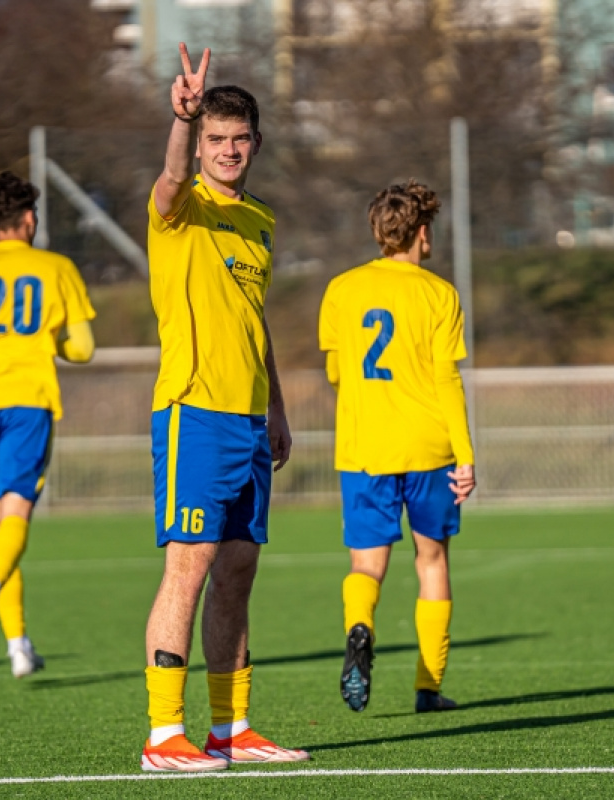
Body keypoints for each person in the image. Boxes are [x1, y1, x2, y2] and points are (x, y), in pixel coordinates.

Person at [141, 43, 309, 773]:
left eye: (239, 139)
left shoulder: (260, 223)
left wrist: (275, 405)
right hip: (194, 411)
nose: (228, 151)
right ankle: (161, 735)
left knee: (238, 569)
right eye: (216, 139)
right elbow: (172, 177)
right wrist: (180, 119)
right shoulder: (180, 210)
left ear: (257, 143)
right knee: (191, 564)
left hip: (246, 418)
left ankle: (230, 727)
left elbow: (255, 320)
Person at [318, 179, 477, 715]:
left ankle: (359, 627)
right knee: (431, 561)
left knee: (367, 566)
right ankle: (428, 686)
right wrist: (466, 454)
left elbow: (337, 370)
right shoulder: (439, 294)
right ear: (423, 233)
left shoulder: (341, 289)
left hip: (365, 449)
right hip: (429, 449)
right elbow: (446, 380)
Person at [0, 171, 95, 678]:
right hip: (28, 402)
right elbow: (83, 348)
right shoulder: (55, 267)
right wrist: (51, 341)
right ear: (29, 220)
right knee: (18, 516)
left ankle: (19, 644)